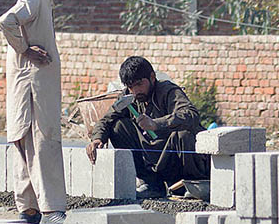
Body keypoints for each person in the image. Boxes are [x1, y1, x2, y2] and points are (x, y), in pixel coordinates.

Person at [0, 0, 79, 224]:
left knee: (28, 143)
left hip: (34, 86)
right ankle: (51, 209)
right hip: (32, 87)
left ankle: (29, 209)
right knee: (43, 142)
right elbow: (6, 21)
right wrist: (25, 50)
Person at [86, 56, 211, 199]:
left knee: (184, 133)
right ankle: (152, 185)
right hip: (152, 156)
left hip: (174, 155)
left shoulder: (167, 90)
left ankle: (193, 186)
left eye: (139, 84)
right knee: (118, 127)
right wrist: (97, 139)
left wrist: (156, 123)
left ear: (152, 77)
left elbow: (190, 114)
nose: (135, 90)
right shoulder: (128, 96)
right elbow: (106, 119)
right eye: (130, 86)